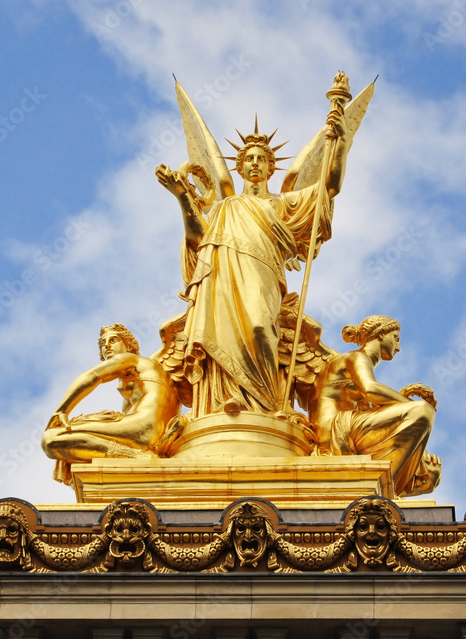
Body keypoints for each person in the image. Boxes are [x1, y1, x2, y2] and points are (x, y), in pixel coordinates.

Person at [155, 108, 349, 417]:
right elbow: (198, 239)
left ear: (272, 167)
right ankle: (226, 401)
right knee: (217, 334)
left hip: (263, 275)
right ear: (240, 167)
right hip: (221, 276)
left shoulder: (283, 203)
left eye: (261, 158)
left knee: (260, 328)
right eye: (249, 158)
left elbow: (330, 187)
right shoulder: (225, 207)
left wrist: (338, 139)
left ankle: (267, 404)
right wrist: (182, 198)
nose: (255, 163)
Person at [309, 315, 440, 497]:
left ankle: (382, 487)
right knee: (423, 411)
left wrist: (423, 457)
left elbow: (387, 418)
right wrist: (413, 405)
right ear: (380, 334)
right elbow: (370, 390)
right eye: (395, 338)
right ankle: (382, 492)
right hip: (335, 430)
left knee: (432, 472)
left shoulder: (359, 366)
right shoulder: (355, 357)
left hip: (348, 429)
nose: (399, 347)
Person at [41, 324, 180, 483]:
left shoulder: (131, 359)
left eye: (113, 340)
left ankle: (135, 456)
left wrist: (62, 410)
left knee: (51, 438)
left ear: (128, 346)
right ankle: (127, 458)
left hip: (144, 427)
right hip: (153, 432)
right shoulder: (139, 380)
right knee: (72, 439)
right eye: (102, 343)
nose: (107, 345)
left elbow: (93, 375)